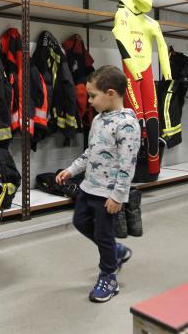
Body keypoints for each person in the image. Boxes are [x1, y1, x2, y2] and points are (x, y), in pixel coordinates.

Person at [56, 65, 141, 303]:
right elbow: (91, 153)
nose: (90, 101)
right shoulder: (98, 120)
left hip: (107, 194)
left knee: (103, 235)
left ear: (110, 93)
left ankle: (108, 277)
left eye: (93, 96)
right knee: (80, 221)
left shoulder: (127, 125)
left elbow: (127, 165)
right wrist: (71, 170)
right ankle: (116, 251)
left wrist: (118, 196)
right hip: (88, 187)